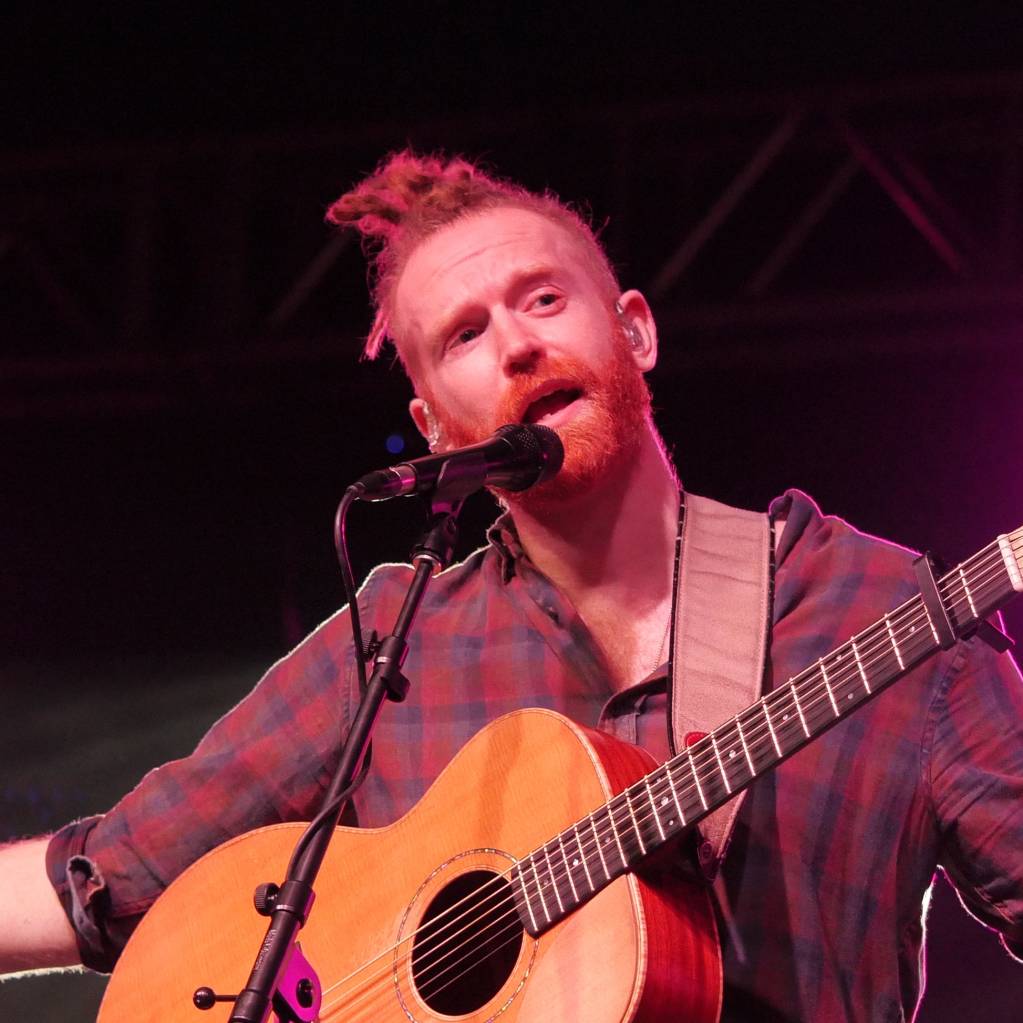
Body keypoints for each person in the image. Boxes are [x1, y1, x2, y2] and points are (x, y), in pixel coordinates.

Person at [2, 151, 1022, 1021]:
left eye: (544, 298)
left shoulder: (879, 610)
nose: (521, 344)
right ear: (436, 425)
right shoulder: (392, 645)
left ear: (634, 331)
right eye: (466, 335)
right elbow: (109, 879)